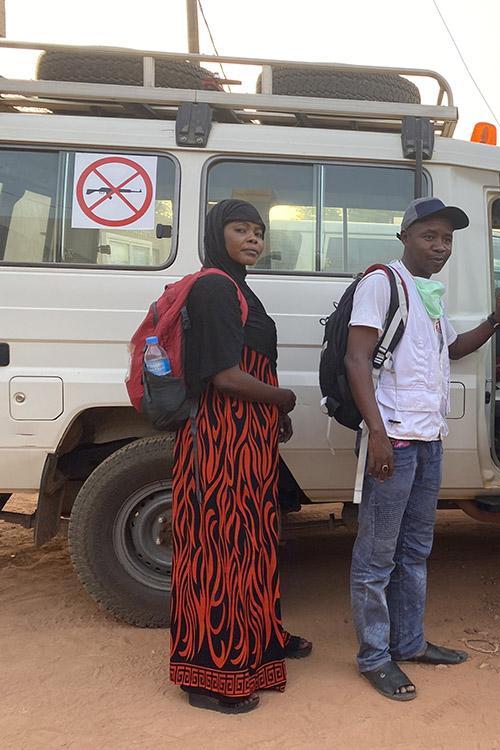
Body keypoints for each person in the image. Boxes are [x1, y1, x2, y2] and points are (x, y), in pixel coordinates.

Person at [346, 196, 500, 701]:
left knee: (416, 548)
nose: (440, 246)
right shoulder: (381, 283)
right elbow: (357, 360)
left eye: (447, 238)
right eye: (429, 236)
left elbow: (453, 349)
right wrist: (376, 432)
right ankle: (375, 656)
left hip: (427, 439)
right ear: (405, 236)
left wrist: (496, 319)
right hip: (393, 438)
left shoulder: (426, 294)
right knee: (377, 555)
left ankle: (410, 642)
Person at [169, 199, 311, 713]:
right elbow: (225, 376)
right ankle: (209, 677)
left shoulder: (239, 287)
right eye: (240, 228)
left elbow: (253, 367)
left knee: (252, 543)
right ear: (216, 232)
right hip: (218, 441)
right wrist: (284, 399)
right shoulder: (213, 286)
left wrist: (273, 415)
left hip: (247, 437)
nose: (253, 238)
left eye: (258, 230)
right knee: (218, 550)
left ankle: (261, 643)